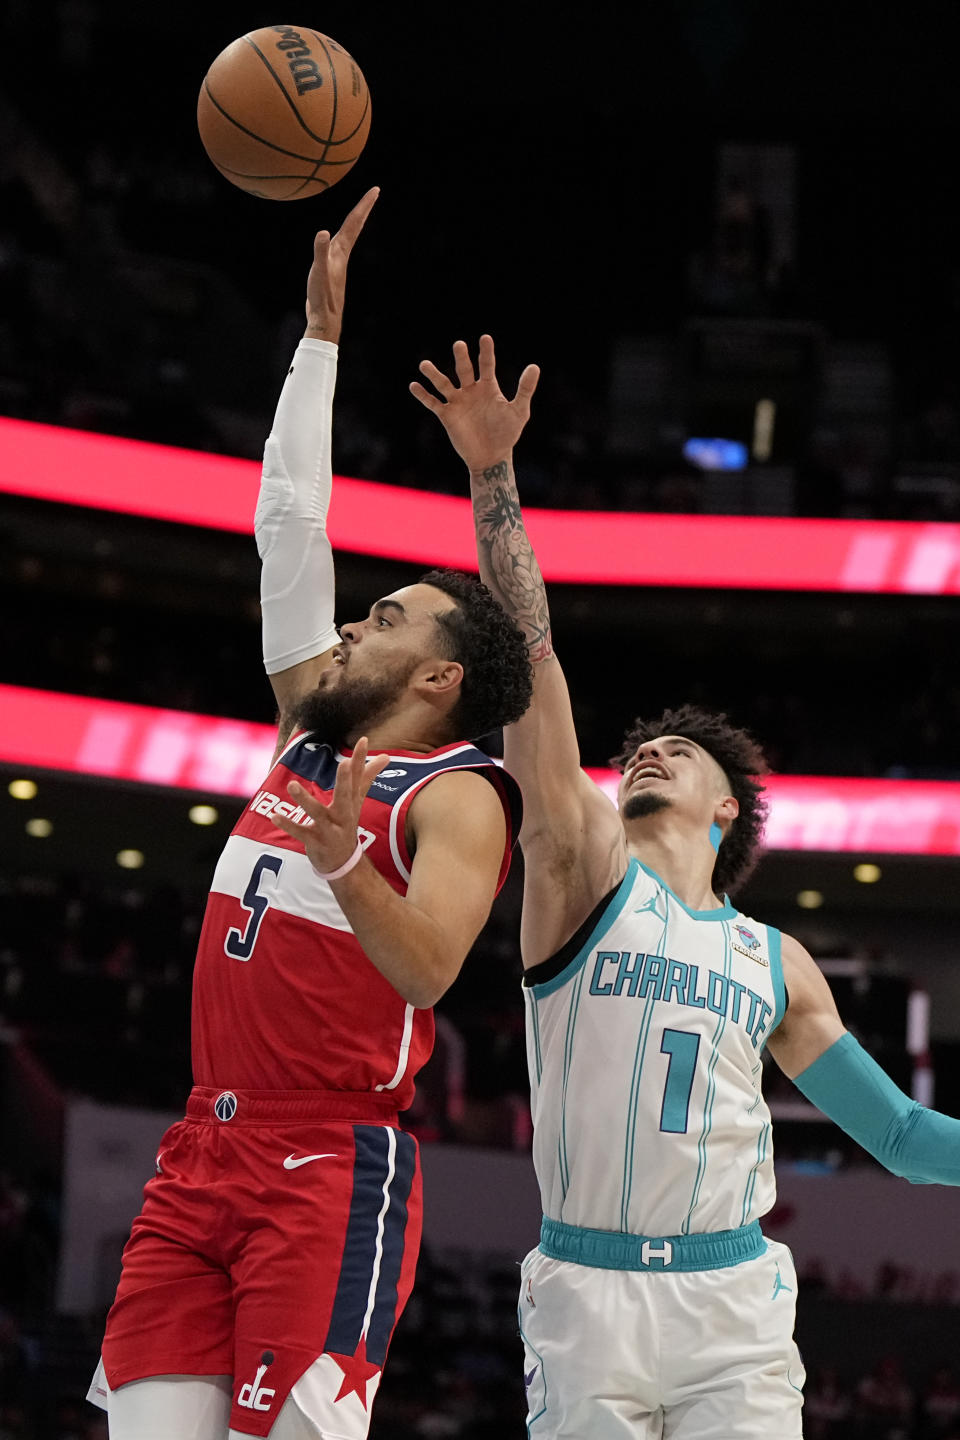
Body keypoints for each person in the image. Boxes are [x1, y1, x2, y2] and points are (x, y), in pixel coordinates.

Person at [411, 334, 960, 1439]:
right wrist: (491, 475)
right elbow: (529, 649)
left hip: (734, 1299)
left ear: (728, 809)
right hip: (586, 1294)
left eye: (680, 751)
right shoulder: (577, 870)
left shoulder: (775, 960)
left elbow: (899, 1137)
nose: (648, 753)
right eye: (637, 750)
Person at [86, 195, 532, 1440]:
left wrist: (344, 861)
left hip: (328, 1166)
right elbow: (288, 522)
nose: (351, 625)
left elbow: (429, 967)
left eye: (385, 619)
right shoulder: (309, 732)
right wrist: (318, 341)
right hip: (196, 1152)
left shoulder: (457, 794)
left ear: (439, 679)